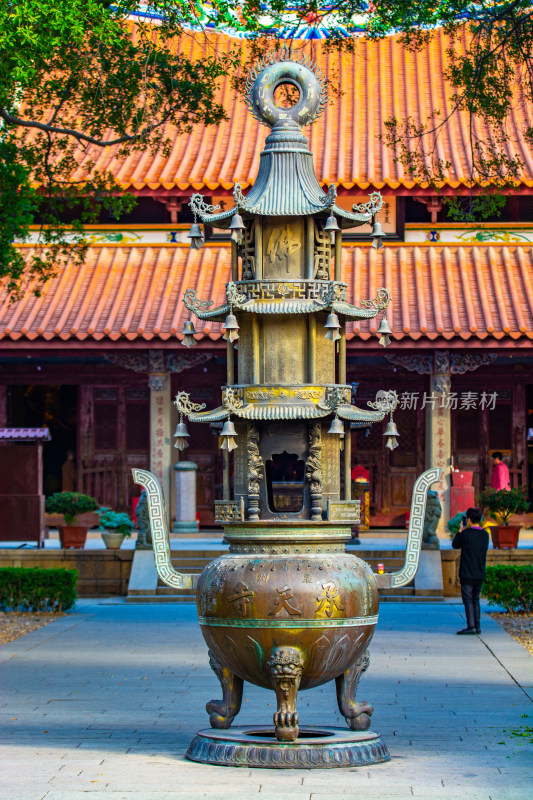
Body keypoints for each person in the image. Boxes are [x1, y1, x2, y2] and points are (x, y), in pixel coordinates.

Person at [452, 507, 489, 635]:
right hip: (479, 572)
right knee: (475, 599)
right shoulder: (485, 535)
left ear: (468, 519)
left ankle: (471, 626)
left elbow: (455, 544)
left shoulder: (466, 534)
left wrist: (460, 531)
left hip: (467, 572)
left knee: (467, 599)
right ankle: (477, 626)